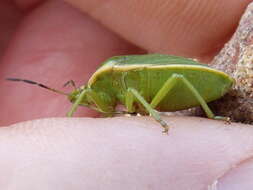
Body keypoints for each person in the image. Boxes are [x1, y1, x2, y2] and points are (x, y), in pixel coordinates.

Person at [0, 0, 253, 189]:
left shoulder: (111, 79)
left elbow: (131, 92)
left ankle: (212, 115)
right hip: (184, 84)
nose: (87, 101)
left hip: (197, 81)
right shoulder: (104, 86)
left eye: (84, 96)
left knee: (168, 80)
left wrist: (156, 116)